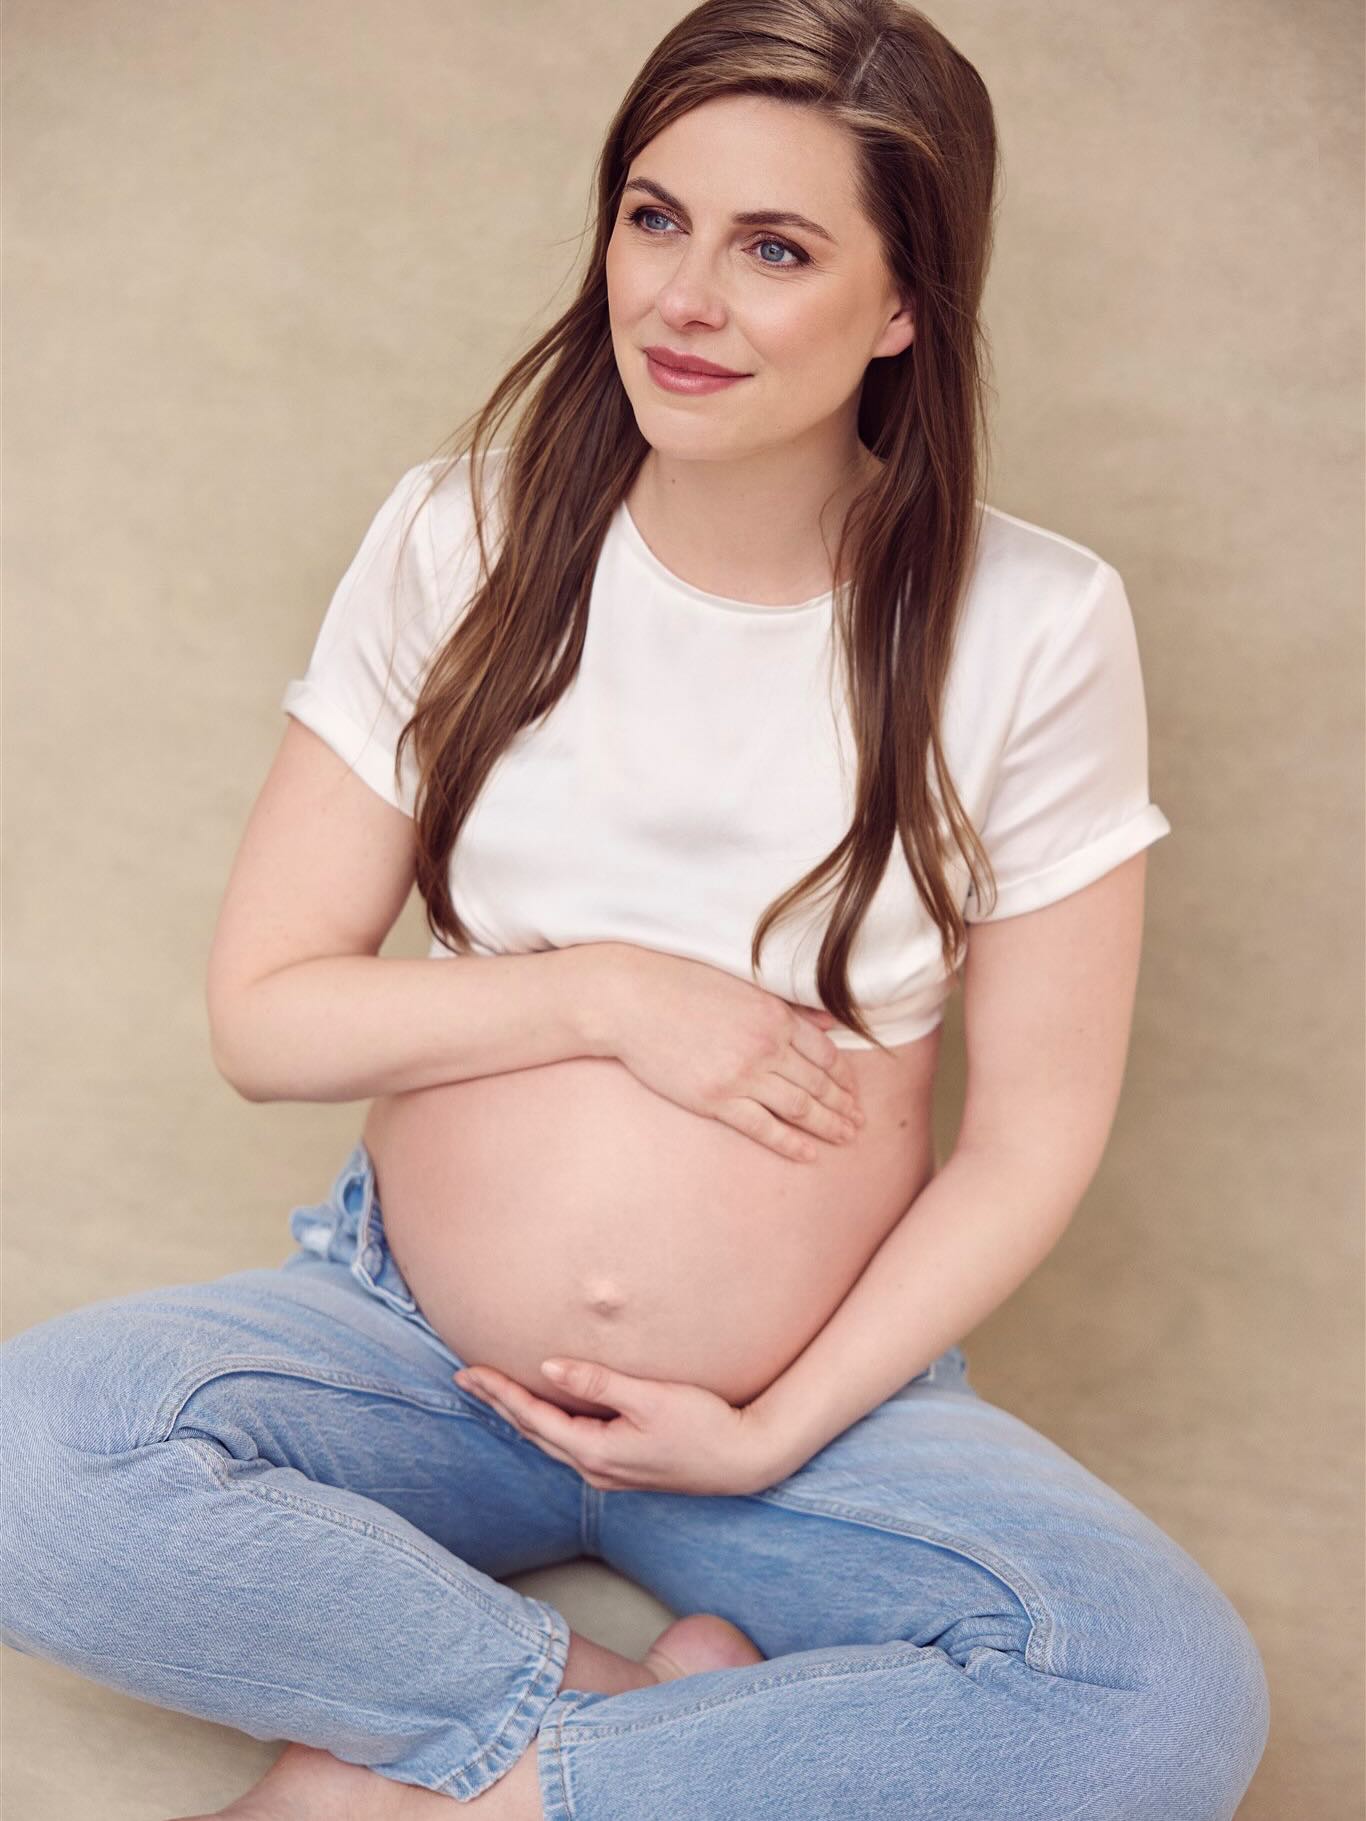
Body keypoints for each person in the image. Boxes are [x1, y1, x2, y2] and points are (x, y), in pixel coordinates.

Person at [0, 3, 1270, 1817]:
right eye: (652, 217)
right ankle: (601, 1710)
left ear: (906, 301)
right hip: (412, 1354)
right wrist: (603, 993)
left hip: (794, 1420)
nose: (683, 296)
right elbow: (267, 1014)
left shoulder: (1033, 626)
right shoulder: (466, 536)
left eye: (774, 248)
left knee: (1158, 1701)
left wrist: (768, 1420)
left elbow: (1032, 1136)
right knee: (32, 1450)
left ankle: (454, 1786)